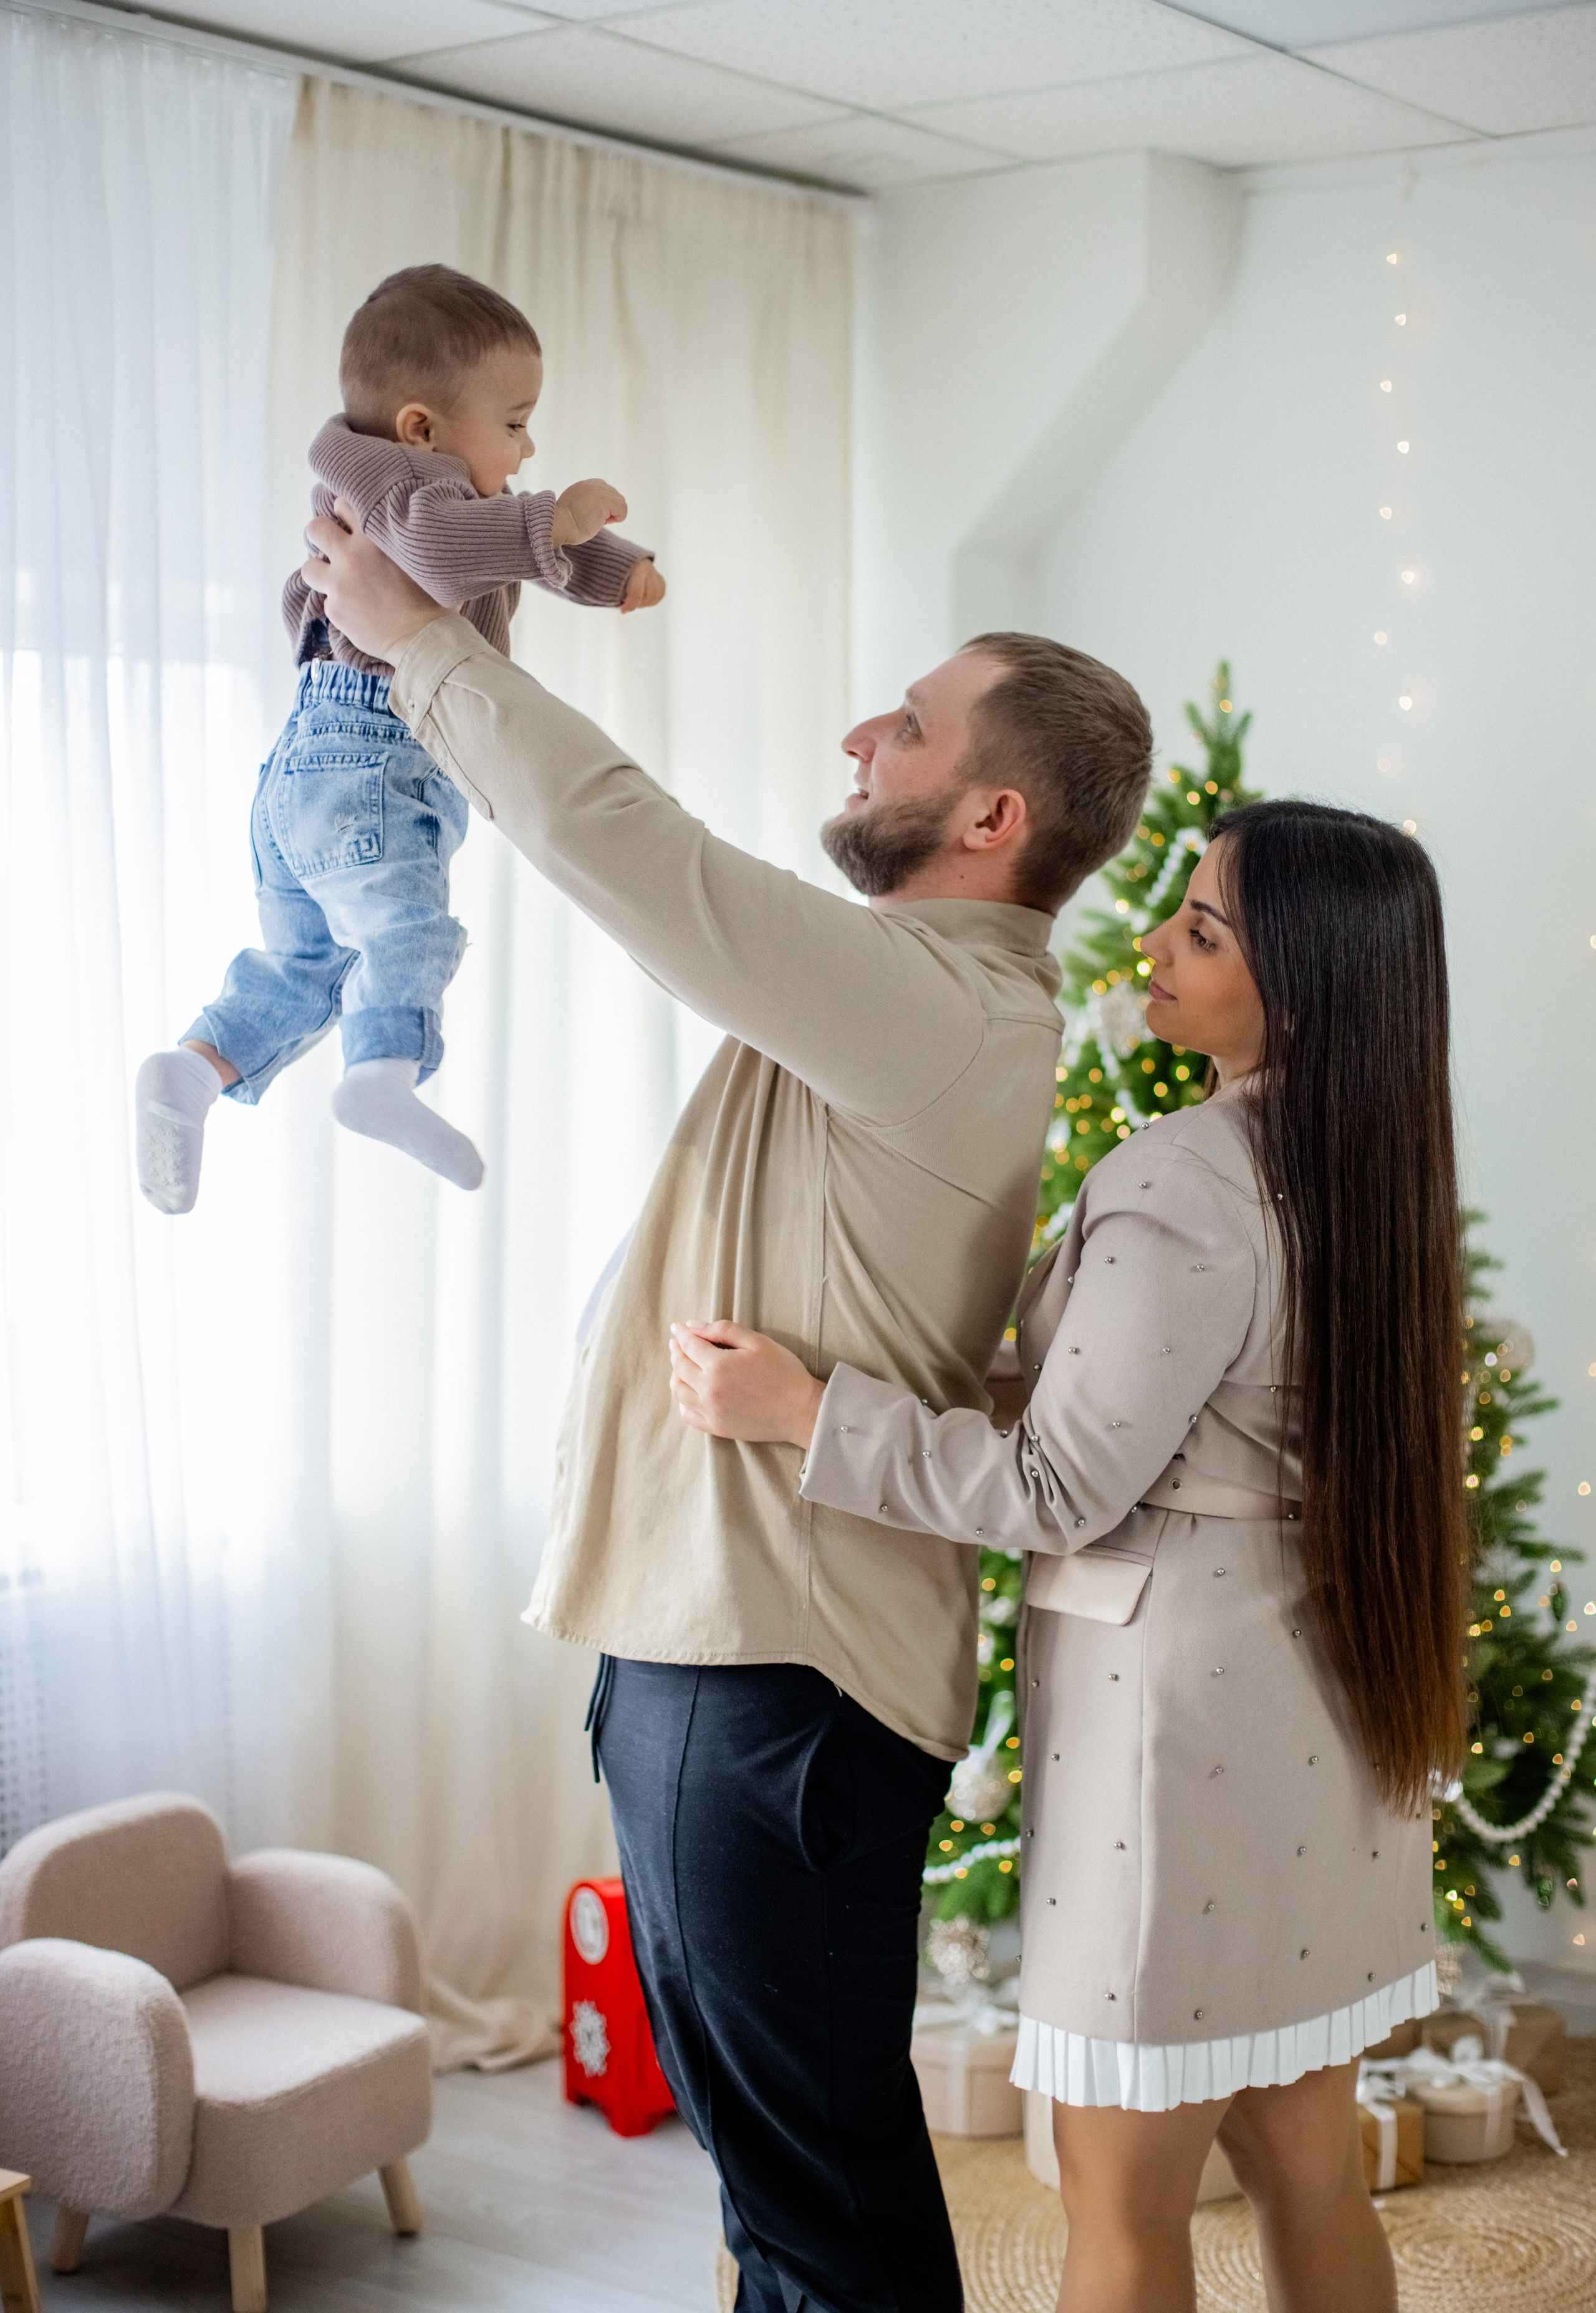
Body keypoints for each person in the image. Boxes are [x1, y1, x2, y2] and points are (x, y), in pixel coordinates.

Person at [298, 498, 1153, 2312]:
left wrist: (421, 646)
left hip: (783, 1679)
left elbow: (633, 853)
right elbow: (618, 848)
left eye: (908, 723)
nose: (861, 732)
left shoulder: (943, 1000)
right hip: (730, 1656)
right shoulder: (901, 997)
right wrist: (453, 633)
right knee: (774, 2176)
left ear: (996, 818)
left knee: (812, 2186)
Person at [670, 800, 1467, 2313]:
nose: (1153, 941)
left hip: (1179, 1754)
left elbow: (1054, 1485)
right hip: (1326, 1713)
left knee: (1118, 2203)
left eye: (1204, 929)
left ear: (1295, 986)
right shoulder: (1376, 1172)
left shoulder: (1183, 1178)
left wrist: (804, 1409)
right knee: (1310, 2161)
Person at [134, 263, 661, 1213]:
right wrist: (561, 517)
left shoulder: (400, 492)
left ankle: (196, 1069)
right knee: (404, 928)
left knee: (312, 966)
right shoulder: (410, 495)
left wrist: (614, 570)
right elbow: (467, 548)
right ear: (422, 426)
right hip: (375, 754)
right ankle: (381, 1074)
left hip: (310, 764)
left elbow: (519, 551)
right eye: (513, 422)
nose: (529, 442)